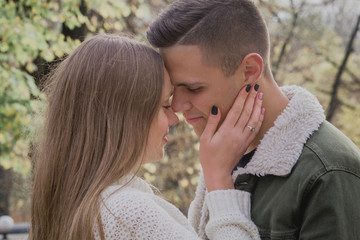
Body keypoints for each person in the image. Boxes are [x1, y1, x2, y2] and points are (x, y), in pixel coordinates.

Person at [147, 0, 360, 239]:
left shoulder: (329, 172)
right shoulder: (224, 153)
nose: (176, 106)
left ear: (249, 70)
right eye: (175, 89)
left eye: (194, 88)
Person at [29, 34, 265, 240]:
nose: (175, 118)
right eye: (164, 105)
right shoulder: (128, 215)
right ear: (125, 116)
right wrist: (219, 181)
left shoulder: (75, 204)